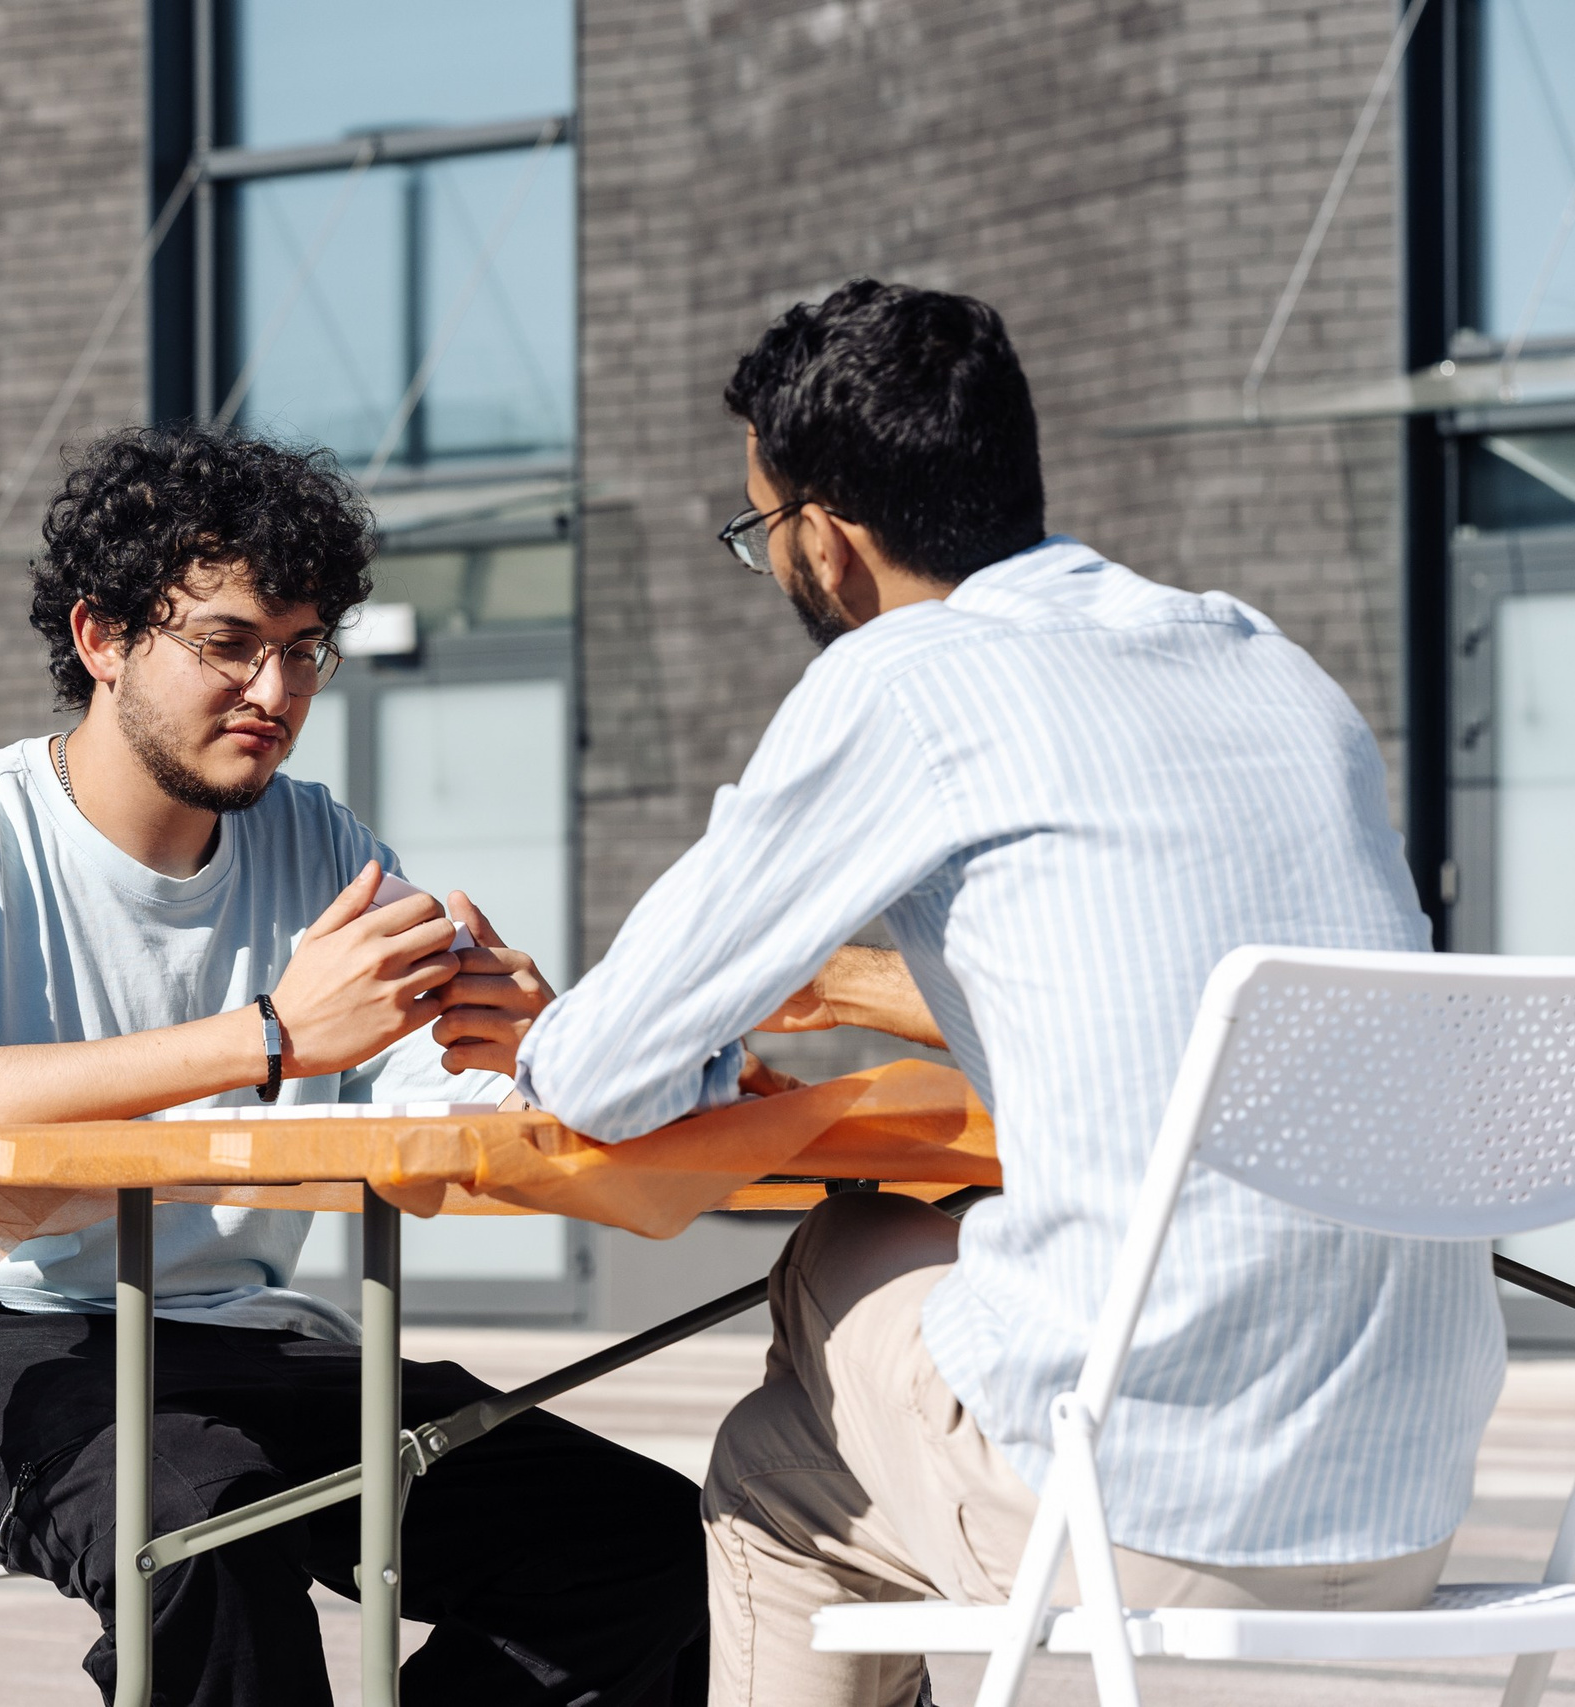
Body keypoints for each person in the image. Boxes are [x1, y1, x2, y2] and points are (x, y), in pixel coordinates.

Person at [502, 281, 1502, 1707]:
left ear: (827, 539)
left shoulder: (903, 677)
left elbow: (598, 1075)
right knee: (826, 1406)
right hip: (1404, 1511)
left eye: (756, 530)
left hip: (1141, 1528)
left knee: (829, 1298)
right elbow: (1191, 984)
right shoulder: (1262, 657)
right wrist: (855, 986)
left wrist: (649, 1040)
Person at [0, 424, 707, 1707]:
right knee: (204, 1526)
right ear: (102, 639)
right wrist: (266, 1036)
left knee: (643, 1543)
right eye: (228, 643)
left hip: (237, 1341)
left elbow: (426, 1099)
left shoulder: (319, 840)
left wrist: (530, 1047)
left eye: (303, 648)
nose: (274, 692)